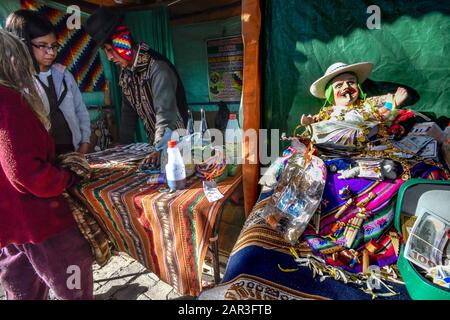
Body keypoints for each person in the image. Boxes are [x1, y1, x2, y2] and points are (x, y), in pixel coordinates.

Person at [0, 30, 94, 300]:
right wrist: (66, 177)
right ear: (12, 61)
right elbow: (25, 173)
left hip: (11, 223)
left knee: (22, 289)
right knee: (74, 286)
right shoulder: (9, 102)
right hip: (40, 221)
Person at [83, 7, 189, 167]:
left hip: (178, 146)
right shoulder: (126, 74)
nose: (110, 57)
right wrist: (123, 144)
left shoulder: (157, 68)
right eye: (106, 51)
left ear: (123, 42)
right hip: (156, 147)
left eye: (110, 50)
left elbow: (165, 114)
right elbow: (128, 112)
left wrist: (159, 148)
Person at [5, 10, 91, 155]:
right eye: (42, 45)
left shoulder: (64, 75)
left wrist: (85, 142)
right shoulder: (17, 82)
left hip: (73, 151)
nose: (51, 52)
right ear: (23, 43)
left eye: (54, 46)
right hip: (41, 156)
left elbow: (80, 110)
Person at [301, 62, 409, 147]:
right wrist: (311, 124)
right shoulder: (327, 113)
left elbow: (381, 118)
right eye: (339, 86)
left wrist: (393, 103)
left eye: (351, 82)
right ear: (331, 94)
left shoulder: (367, 106)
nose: (346, 87)